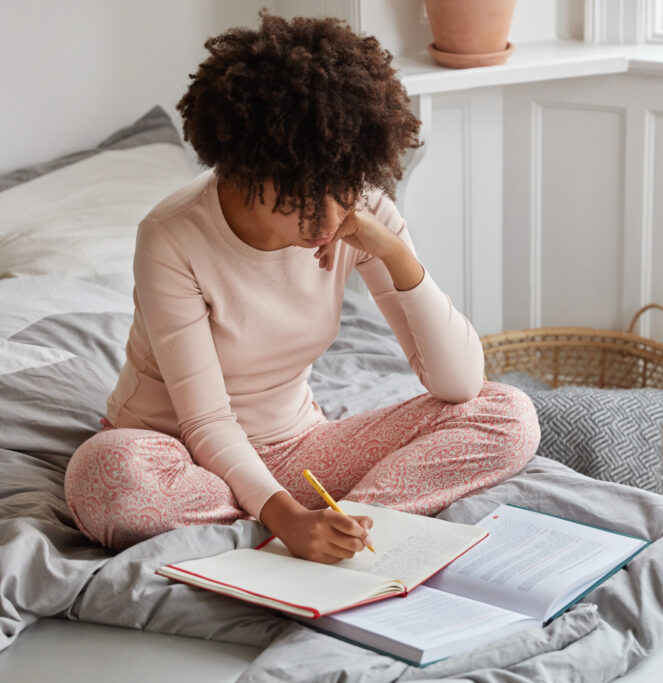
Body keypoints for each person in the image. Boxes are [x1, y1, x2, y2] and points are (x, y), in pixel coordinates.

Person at [64, 11, 540, 564]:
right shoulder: (172, 236)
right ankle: (288, 528)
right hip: (176, 457)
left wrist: (397, 256)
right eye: (301, 195)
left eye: (342, 188)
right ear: (246, 166)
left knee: (508, 414)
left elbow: (459, 383)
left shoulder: (358, 211)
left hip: (298, 451)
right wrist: (287, 517)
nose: (328, 217)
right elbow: (207, 421)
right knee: (108, 477)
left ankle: (354, 527)